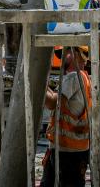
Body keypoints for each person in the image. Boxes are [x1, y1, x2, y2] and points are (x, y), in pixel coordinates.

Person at [40, 46, 92, 187]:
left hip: (67, 154)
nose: (61, 58)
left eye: (65, 53)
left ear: (76, 54)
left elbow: (51, 103)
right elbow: (55, 98)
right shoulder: (83, 77)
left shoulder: (74, 77)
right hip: (72, 151)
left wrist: (34, 78)